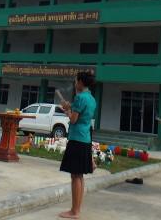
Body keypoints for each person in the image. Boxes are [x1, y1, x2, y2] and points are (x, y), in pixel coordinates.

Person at [58, 71, 97, 219]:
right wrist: (70, 107)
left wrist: (67, 110)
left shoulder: (80, 97)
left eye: (76, 81)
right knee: (79, 176)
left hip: (77, 139)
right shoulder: (91, 98)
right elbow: (81, 115)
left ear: (80, 82)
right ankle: (77, 209)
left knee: (75, 176)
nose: (75, 84)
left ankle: (74, 211)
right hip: (85, 138)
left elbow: (73, 119)